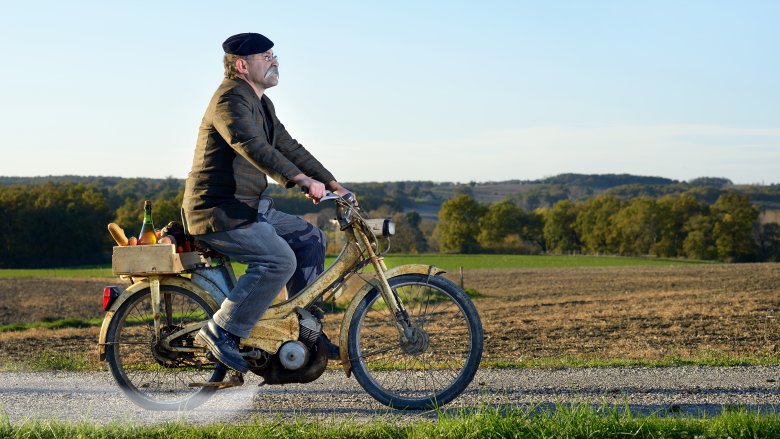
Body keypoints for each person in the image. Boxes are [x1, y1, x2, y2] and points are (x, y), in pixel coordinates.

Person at [182, 32, 354, 373]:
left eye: (274, 54)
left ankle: (305, 332)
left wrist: (333, 183)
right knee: (278, 261)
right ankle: (221, 331)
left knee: (310, 239)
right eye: (266, 56)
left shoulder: (260, 102)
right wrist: (300, 180)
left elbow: (287, 146)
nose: (274, 60)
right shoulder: (229, 101)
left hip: (250, 206)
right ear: (242, 65)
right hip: (220, 211)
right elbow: (251, 145)